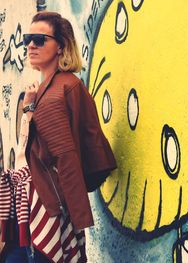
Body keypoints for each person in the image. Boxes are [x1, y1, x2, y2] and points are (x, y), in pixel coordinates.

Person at [0, 11, 116, 262]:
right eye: (27, 39)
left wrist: (71, 216)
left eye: (39, 39)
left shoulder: (55, 94)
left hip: (47, 210)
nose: (30, 44)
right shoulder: (55, 87)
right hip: (43, 206)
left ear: (61, 46)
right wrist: (30, 106)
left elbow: (65, 157)